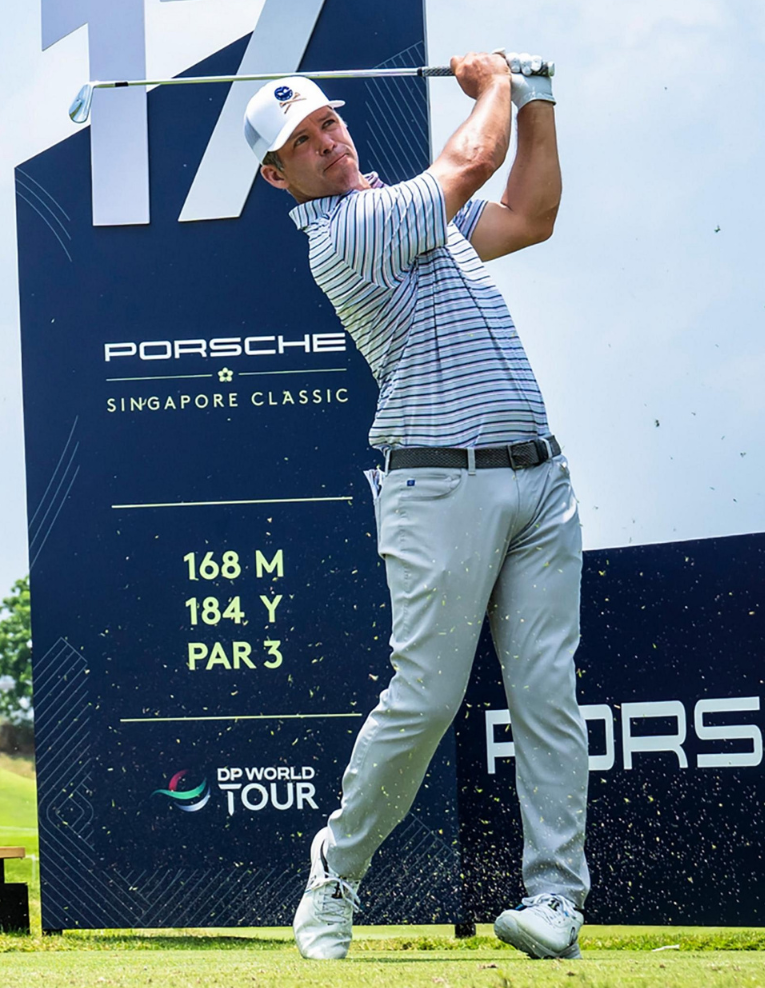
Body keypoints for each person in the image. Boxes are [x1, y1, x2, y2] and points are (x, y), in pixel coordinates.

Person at [244, 52, 588, 961]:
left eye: (328, 123)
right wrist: (495, 88)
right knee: (427, 699)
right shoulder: (347, 231)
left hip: (540, 479)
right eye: (302, 144)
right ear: (279, 178)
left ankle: (556, 900)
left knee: (548, 694)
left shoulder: (416, 211)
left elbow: (529, 216)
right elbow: (472, 163)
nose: (327, 142)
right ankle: (337, 871)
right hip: (439, 486)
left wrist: (539, 101)